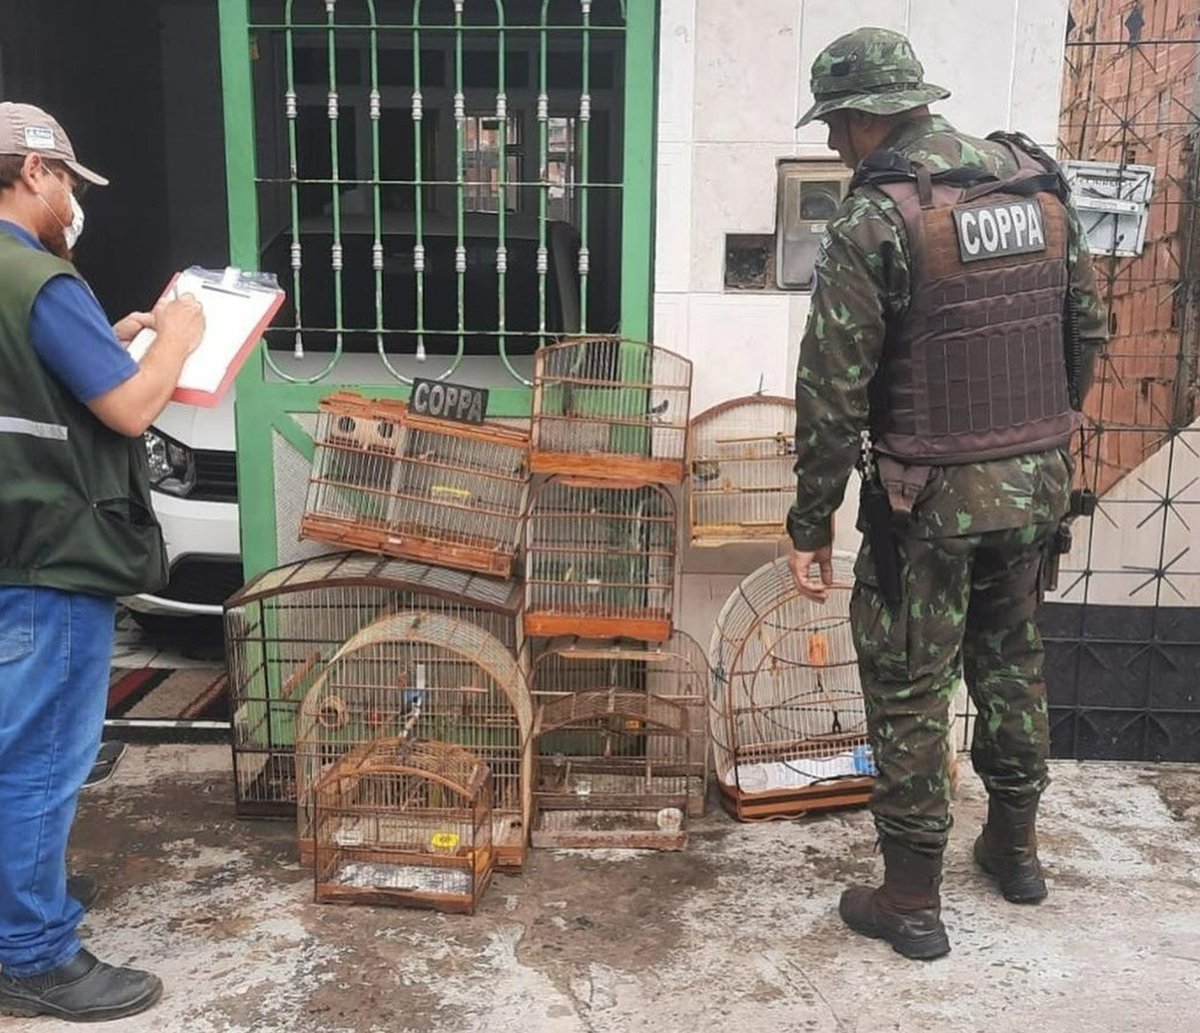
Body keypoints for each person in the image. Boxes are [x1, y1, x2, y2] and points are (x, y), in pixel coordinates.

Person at [785, 29, 1106, 960]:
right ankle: (1016, 851)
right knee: (1012, 656)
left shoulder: (876, 216)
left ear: (860, 116)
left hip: (924, 498)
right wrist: (1041, 435)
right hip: (1036, 481)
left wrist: (811, 521)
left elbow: (832, 391)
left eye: (837, 126)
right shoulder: (1032, 183)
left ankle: (911, 897)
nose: (839, 145)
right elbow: (1085, 326)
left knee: (911, 682)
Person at [0, 101, 205, 1020]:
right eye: (71, 185)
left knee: (12, 749)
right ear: (35, 172)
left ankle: (20, 896)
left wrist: (112, 342)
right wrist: (177, 338)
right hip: (51, 554)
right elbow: (128, 410)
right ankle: (34, 953)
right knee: (42, 757)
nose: (75, 204)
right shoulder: (38, 276)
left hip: (11, 545)